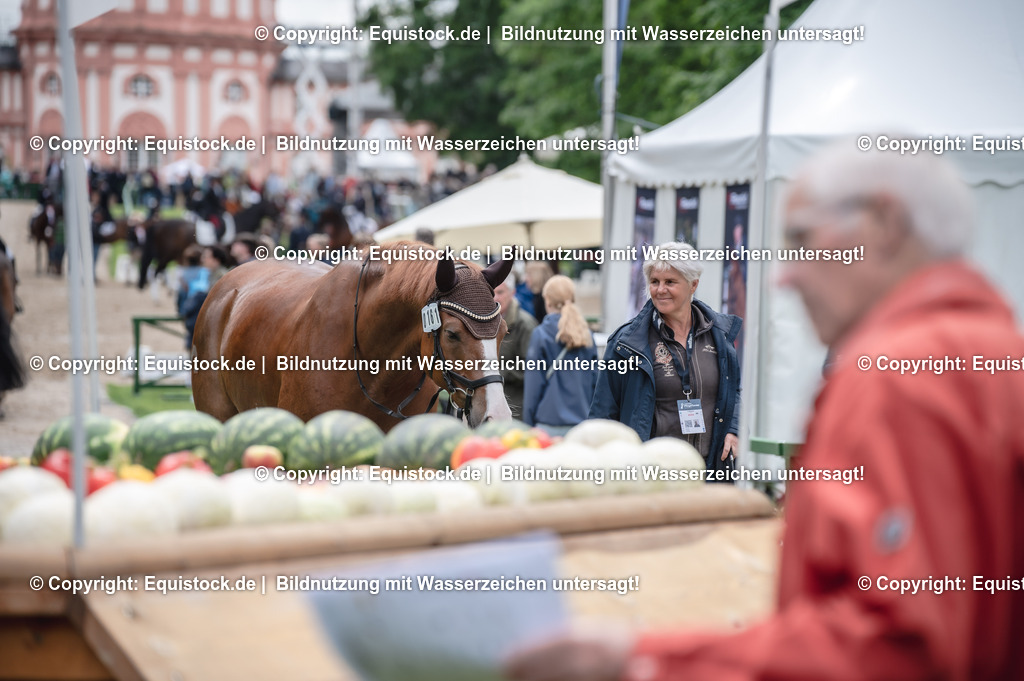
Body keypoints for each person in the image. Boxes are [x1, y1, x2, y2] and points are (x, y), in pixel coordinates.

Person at [503, 144, 1024, 681]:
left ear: (884, 227)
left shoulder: (900, 379)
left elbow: (900, 645)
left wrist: (647, 662)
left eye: (803, 241)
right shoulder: (990, 350)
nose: (785, 276)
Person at [589, 242, 741, 473]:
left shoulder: (718, 335)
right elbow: (603, 414)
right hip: (653, 475)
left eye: (670, 282)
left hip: (712, 471)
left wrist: (734, 429)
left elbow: (734, 391)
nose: (660, 289)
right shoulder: (626, 343)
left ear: (693, 285)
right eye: (654, 282)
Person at [522, 275, 597, 435]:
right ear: (573, 299)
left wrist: (528, 426)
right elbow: (595, 385)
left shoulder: (540, 334)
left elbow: (533, 388)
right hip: (582, 428)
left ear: (547, 301)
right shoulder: (587, 335)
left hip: (548, 426)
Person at [494, 272, 537, 416]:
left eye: (500, 292)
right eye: (491, 292)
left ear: (512, 292)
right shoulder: (483, 321)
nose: (495, 298)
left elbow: (532, 368)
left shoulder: (525, 325)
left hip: (516, 407)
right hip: (490, 403)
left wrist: (495, 372)